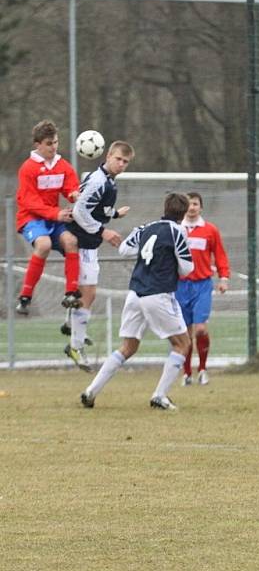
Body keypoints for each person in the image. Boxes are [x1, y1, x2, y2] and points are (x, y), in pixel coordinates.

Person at [80, 193, 194, 410]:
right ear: (183, 213)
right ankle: (159, 396)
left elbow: (124, 249)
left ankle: (91, 391)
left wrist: (147, 256)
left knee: (128, 346)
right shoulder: (178, 231)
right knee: (183, 344)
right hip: (158, 293)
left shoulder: (146, 227)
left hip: (135, 293)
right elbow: (187, 268)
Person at [63, 141, 134, 371]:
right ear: (108, 156)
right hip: (82, 243)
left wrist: (114, 214)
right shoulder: (98, 181)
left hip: (90, 244)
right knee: (89, 293)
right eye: (118, 159)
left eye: (126, 162)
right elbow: (78, 211)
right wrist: (104, 231)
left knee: (88, 295)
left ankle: (74, 329)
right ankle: (75, 344)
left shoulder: (108, 181)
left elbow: (97, 209)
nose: (121, 164)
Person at [15, 119, 82, 315]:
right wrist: (56, 214)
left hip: (54, 219)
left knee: (71, 241)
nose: (53, 147)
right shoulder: (28, 168)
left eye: (55, 142)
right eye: (48, 143)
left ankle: (71, 292)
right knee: (43, 244)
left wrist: (74, 194)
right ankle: (25, 296)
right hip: (31, 218)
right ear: (38, 144)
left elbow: (70, 187)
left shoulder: (62, 165)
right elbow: (29, 202)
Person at [177, 192, 230, 386]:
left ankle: (203, 369)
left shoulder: (209, 230)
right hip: (180, 286)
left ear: (201, 207)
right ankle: (186, 373)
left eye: (195, 204)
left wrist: (223, 278)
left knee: (200, 329)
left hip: (202, 285)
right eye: (189, 204)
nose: (192, 208)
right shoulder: (177, 229)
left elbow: (220, 255)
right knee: (184, 332)